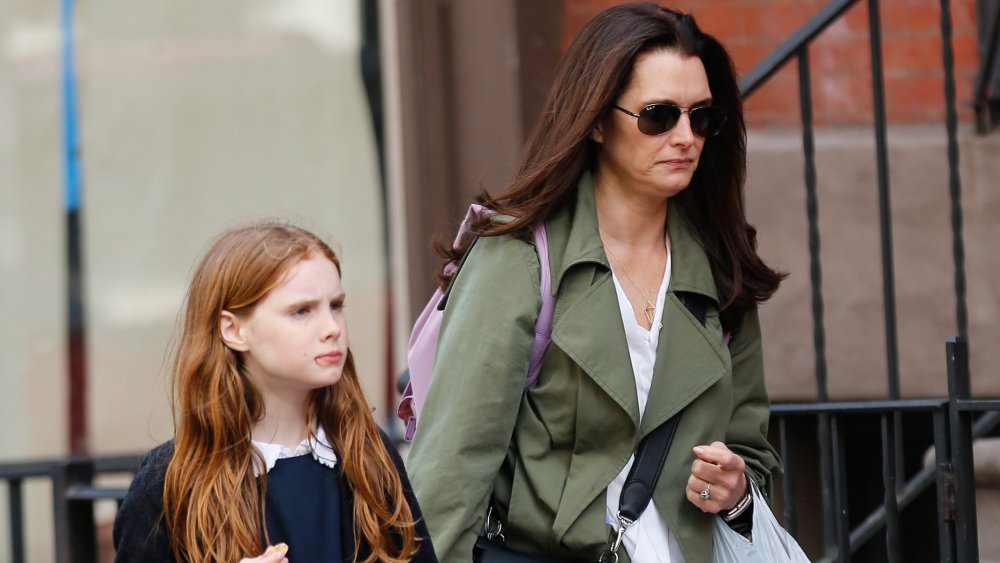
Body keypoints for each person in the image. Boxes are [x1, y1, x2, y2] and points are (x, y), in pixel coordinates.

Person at [406, 3, 784, 562]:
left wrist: (734, 492)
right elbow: (451, 471)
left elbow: (751, 453)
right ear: (600, 121)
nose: (685, 136)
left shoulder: (721, 271)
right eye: (659, 115)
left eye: (702, 117)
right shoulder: (521, 259)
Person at [113, 221, 437, 563]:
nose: (332, 328)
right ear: (234, 330)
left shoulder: (369, 453)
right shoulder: (167, 483)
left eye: (336, 305)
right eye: (302, 310)